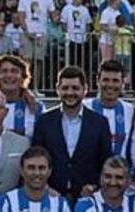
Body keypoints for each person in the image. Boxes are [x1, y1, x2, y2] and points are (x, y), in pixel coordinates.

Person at [31, 66, 112, 198]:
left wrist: (95, 186)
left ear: (84, 90)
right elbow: (37, 158)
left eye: (75, 88)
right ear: (58, 90)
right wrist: (45, 187)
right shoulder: (44, 121)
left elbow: (105, 161)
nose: (70, 93)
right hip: (52, 195)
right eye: (65, 88)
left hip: (87, 196)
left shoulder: (100, 123)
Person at [0, 55, 42, 138]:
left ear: (23, 78)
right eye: (4, 71)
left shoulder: (36, 107)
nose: (9, 76)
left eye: (14, 71)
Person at [83, 60, 135, 159]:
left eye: (115, 80)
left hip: (120, 172)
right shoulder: (84, 107)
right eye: (106, 80)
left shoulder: (130, 110)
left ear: (123, 83)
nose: (110, 85)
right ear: (97, 81)